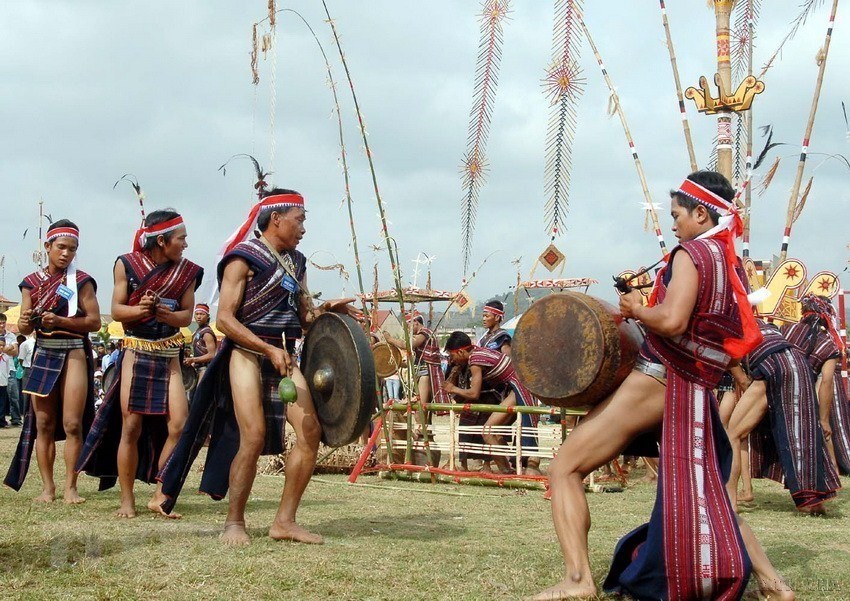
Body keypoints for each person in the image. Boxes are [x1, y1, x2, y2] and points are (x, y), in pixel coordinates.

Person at [535, 171, 793, 601]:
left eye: (677, 215)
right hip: (696, 387)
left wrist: (638, 308)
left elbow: (672, 321)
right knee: (710, 492)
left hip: (660, 378)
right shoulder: (726, 261)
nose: (673, 224)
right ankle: (772, 583)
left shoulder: (691, 253)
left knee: (565, 467)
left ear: (700, 212)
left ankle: (578, 581)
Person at [158, 187, 359, 546]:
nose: (303, 229)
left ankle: (284, 521)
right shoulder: (242, 258)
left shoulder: (297, 262)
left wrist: (329, 309)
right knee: (251, 436)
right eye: (300, 220)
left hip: (283, 355)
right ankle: (234, 522)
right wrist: (266, 348)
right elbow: (225, 320)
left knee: (309, 433)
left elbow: (305, 316)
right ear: (276, 218)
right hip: (248, 354)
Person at [76, 209, 203, 518]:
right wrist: (142, 309)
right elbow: (117, 311)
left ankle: (160, 494)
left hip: (169, 352)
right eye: (181, 239)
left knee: (179, 424)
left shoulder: (187, 271)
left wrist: (165, 315)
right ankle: (127, 498)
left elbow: (186, 316)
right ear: (162, 241)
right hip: (136, 350)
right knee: (131, 427)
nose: (185, 244)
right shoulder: (125, 264)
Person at [4, 221, 100, 504]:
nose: (66, 254)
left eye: (72, 249)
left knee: (72, 424)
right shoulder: (30, 283)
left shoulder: (81, 281)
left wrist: (60, 320)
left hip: (73, 353)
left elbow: (94, 321)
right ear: (47, 247)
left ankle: (71, 486)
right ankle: (48, 488)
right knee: (43, 424)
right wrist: (24, 321)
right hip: (44, 351)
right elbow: (24, 328)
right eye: (61, 247)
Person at [725, 318, 839, 513]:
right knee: (803, 433)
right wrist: (823, 419)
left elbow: (740, 375)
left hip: (771, 366)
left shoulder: (725, 326)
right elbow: (826, 381)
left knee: (733, 433)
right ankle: (814, 502)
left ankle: (730, 501)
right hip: (800, 367)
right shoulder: (763, 324)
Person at [443, 331, 539, 475]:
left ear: (461, 352)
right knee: (495, 433)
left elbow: (474, 393)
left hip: (519, 388)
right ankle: (508, 467)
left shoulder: (475, 361)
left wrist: (452, 388)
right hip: (515, 388)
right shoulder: (477, 353)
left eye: (453, 356)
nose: (453, 360)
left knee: (487, 431)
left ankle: (507, 469)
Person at [782, 293, 849, 475]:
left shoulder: (785, 330)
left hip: (776, 389)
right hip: (805, 391)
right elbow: (827, 381)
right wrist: (824, 419)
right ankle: (833, 471)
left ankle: (746, 488)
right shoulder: (828, 344)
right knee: (819, 428)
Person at [384, 314, 449, 406]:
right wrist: (398, 363)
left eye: (408, 326)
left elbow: (408, 345)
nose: (408, 329)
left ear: (415, 322)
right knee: (422, 411)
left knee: (421, 410)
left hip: (426, 373)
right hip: (421, 373)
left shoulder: (424, 332)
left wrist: (391, 339)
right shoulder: (421, 336)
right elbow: (410, 363)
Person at [184, 303, 217, 383]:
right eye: (197, 314)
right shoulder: (198, 331)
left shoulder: (207, 333)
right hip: (197, 368)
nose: (199, 316)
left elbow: (212, 355)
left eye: (202, 314)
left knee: (200, 393)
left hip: (205, 368)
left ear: (207, 316)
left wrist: (193, 359)